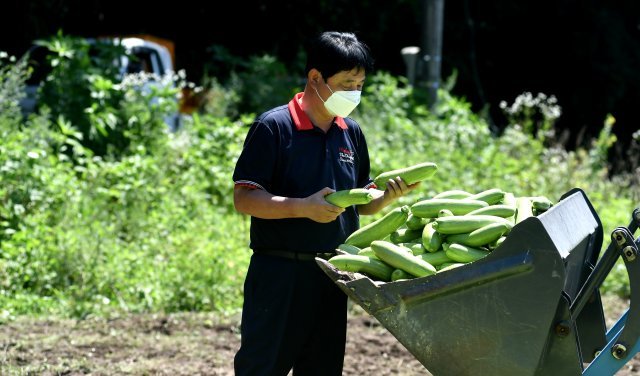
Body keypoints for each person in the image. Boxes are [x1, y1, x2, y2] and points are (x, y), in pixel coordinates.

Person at [232, 31, 419, 376]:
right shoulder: (274, 127)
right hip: (280, 274)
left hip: (333, 275)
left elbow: (359, 202)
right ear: (315, 77)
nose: (354, 93)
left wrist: (385, 198)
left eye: (360, 84)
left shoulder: (351, 132)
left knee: (322, 369)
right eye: (347, 83)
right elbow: (244, 197)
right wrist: (302, 206)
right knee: (262, 367)